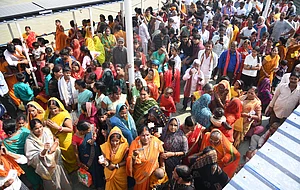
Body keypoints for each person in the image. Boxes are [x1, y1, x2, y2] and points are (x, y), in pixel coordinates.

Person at [25, 119, 71, 190]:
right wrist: (44, 151)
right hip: (45, 169)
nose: (39, 130)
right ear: (31, 130)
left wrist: (55, 144)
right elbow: (32, 158)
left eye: (40, 127)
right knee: (51, 184)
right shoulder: (30, 141)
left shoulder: (46, 131)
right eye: (36, 128)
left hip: (56, 161)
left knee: (62, 179)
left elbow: (55, 139)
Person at [2, 118, 43, 190]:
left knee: (30, 177)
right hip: (33, 158)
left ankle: (36, 187)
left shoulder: (5, 143)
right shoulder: (24, 132)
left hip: (21, 164)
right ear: (16, 126)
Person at [44, 97, 78, 173]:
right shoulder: (48, 115)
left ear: (59, 107)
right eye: (50, 108)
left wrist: (58, 127)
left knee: (69, 155)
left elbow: (70, 129)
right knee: (62, 156)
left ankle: (75, 168)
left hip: (65, 140)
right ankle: (68, 169)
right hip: (55, 139)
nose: (53, 111)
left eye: (55, 108)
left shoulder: (64, 115)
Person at [72, 121, 104, 190]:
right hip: (86, 159)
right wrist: (79, 162)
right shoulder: (75, 139)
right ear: (82, 132)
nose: (90, 130)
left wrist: (93, 139)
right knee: (92, 171)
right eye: (88, 130)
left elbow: (95, 132)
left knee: (99, 168)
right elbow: (76, 152)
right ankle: (95, 184)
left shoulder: (89, 127)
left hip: (96, 153)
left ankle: (101, 182)